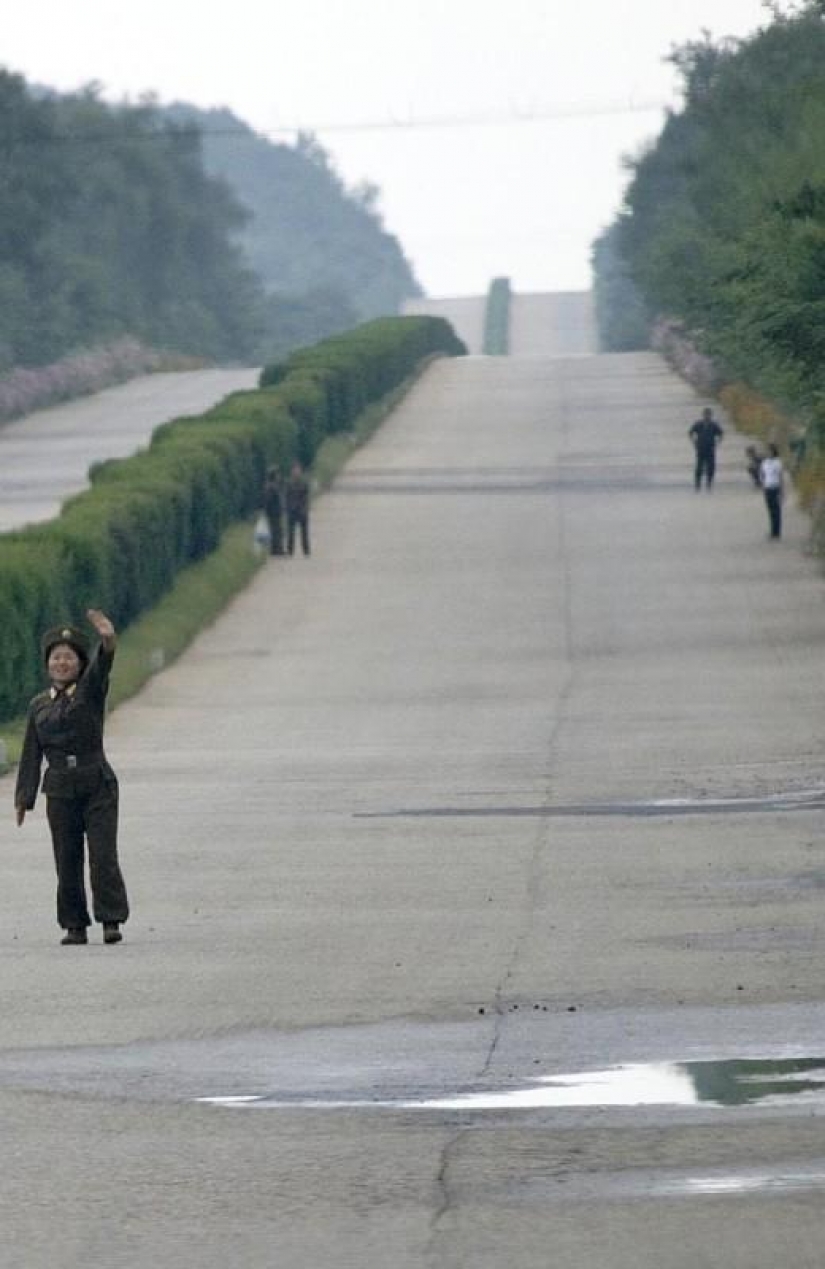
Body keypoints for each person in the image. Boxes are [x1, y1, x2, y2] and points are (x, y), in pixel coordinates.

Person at [14, 609, 129, 946]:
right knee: (66, 857)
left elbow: (102, 664)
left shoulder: (90, 692)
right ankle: (74, 924)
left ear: (79, 664)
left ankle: (110, 920)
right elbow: (31, 754)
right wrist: (24, 798)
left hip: (97, 784)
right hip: (61, 789)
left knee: (102, 855)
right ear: (48, 664)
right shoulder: (39, 706)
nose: (61, 663)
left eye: (68, 658)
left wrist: (107, 639)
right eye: (55, 657)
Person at [688, 406, 724, 491]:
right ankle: (697, 484)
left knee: (711, 466)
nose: (707, 416)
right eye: (705, 414)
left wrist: (717, 443)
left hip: (710, 448)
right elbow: (690, 433)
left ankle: (709, 483)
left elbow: (721, 434)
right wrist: (694, 442)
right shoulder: (698, 424)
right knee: (699, 466)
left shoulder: (714, 425)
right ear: (703, 415)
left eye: (708, 415)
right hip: (700, 448)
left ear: (711, 415)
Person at [285, 460, 310, 556]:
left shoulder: (304, 483)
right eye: (295, 470)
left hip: (302, 510)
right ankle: (290, 550)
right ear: (291, 472)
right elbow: (286, 497)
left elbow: (306, 497)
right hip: (292, 510)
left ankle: (306, 550)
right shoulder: (289, 483)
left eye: (298, 470)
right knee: (290, 533)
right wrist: (287, 508)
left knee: (304, 533)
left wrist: (305, 508)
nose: (296, 472)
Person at [759, 444, 784, 540]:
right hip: (767, 487)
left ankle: (777, 532)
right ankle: (772, 531)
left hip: (775, 487)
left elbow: (780, 477)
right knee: (770, 510)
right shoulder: (765, 462)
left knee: (776, 511)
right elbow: (762, 473)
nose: (767, 453)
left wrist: (782, 491)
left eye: (769, 451)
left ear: (773, 452)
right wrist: (762, 483)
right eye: (767, 451)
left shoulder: (777, 462)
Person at [262, 465, 284, 555]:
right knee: (276, 530)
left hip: (274, 512)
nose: (279, 476)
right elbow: (269, 500)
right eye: (277, 474)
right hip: (274, 512)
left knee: (276, 530)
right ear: (274, 476)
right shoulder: (271, 487)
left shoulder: (271, 486)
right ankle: (276, 549)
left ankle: (276, 549)